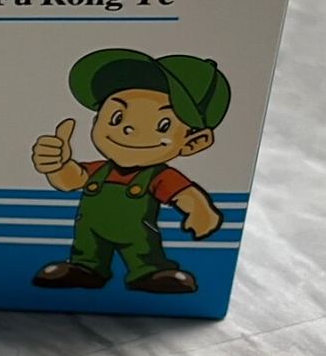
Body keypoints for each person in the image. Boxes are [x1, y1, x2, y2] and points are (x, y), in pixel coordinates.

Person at [31, 48, 230, 294]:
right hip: (91, 232)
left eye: (162, 125)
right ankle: (86, 267)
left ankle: (150, 272)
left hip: (137, 236)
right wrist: (57, 164)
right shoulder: (100, 169)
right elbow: (70, 181)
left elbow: (184, 194)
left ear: (193, 143)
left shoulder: (159, 176)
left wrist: (201, 211)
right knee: (88, 248)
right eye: (117, 117)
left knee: (143, 252)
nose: (128, 130)